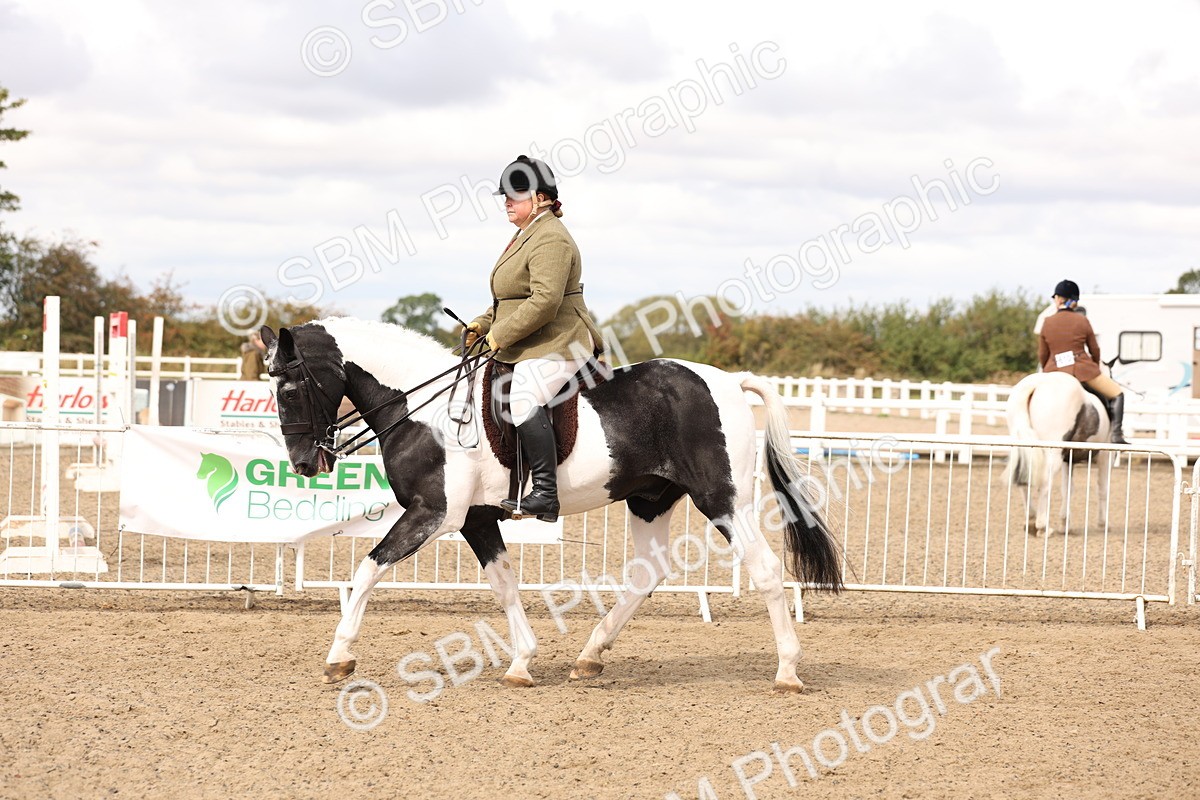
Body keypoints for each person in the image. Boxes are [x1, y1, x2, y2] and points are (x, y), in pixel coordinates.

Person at [464, 155, 605, 521]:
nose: (506, 201)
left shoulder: (552, 239)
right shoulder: (525, 234)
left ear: (541, 198)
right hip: (531, 342)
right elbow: (509, 298)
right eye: (504, 195)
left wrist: (500, 335)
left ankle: (545, 491)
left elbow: (544, 301)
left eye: (514, 194)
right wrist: (482, 325)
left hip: (561, 341)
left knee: (522, 396)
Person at [1038, 279, 1127, 443]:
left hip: (1054, 371)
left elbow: (1043, 354)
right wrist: (1094, 366)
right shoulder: (1082, 321)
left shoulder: (1047, 322)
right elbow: (1095, 349)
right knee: (1117, 393)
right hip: (1082, 370)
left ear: (1058, 299)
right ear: (1074, 301)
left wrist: (1048, 372)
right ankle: (1116, 434)